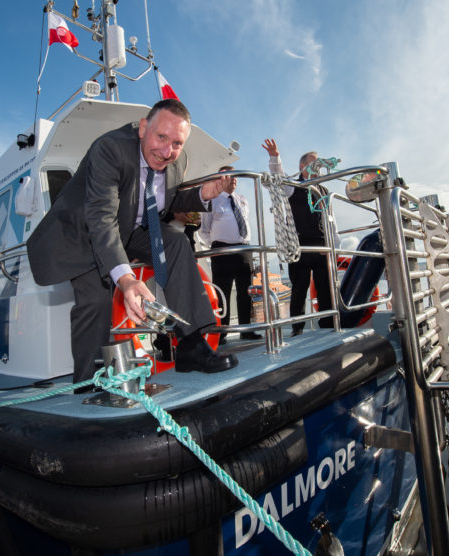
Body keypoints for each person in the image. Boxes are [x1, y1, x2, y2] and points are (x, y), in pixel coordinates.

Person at [27, 99, 238, 384]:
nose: (167, 151)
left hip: (129, 229)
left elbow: (167, 198)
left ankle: (191, 345)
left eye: (176, 143)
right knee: (95, 298)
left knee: (175, 242)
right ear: (142, 128)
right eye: (161, 137)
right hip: (84, 234)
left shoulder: (178, 160)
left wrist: (203, 194)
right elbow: (101, 217)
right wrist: (125, 279)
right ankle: (89, 381)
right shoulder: (109, 149)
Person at [262, 138, 334, 335]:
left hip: (321, 246)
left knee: (325, 288)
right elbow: (278, 177)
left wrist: (333, 246)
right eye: (314, 163)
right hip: (299, 245)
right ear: (302, 166)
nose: (318, 167)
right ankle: (297, 327)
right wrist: (275, 157)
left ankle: (328, 325)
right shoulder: (293, 185)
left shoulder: (324, 191)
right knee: (299, 289)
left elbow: (330, 221)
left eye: (319, 163)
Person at [199, 165, 261, 342]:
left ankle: (246, 330)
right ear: (220, 179)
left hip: (243, 250)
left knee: (245, 291)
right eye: (229, 176)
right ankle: (222, 333)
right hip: (222, 251)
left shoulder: (242, 200)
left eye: (235, 176)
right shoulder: (213, 200)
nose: (233, 179)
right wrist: (217, 246)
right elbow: (204, 230)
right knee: (222, 293)